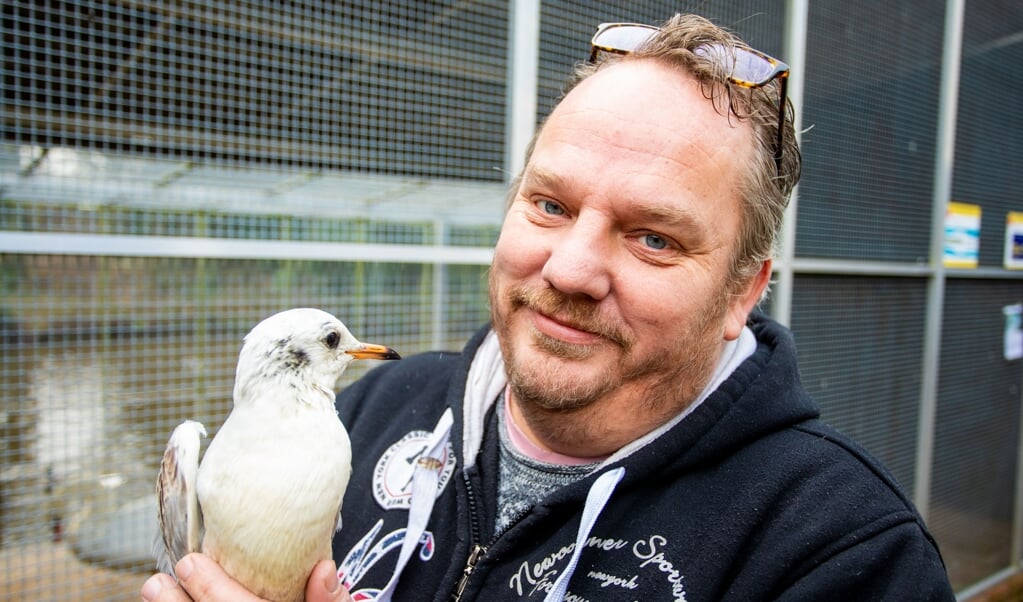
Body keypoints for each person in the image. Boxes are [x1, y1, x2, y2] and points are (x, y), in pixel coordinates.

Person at [142, 13, 955, 601]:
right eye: (550, 206)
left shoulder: (839, 554)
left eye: (653, 238)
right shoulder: (377, 409)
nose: (569, 269)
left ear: (743, 290)